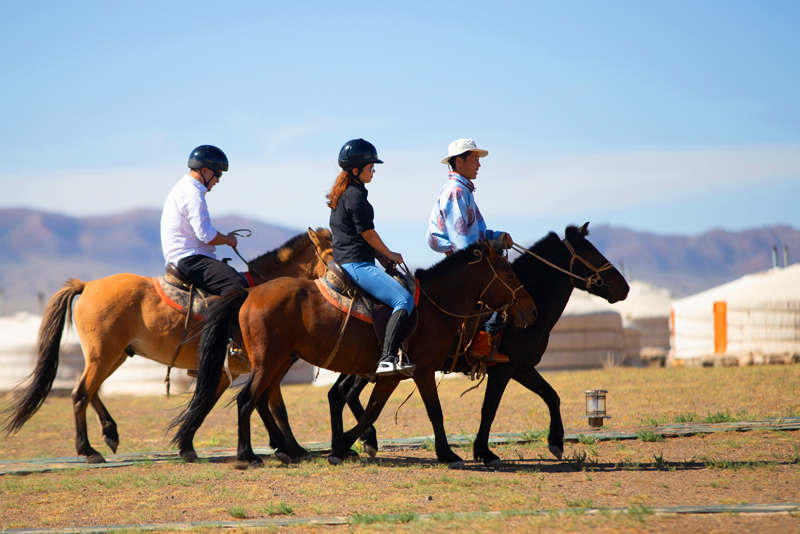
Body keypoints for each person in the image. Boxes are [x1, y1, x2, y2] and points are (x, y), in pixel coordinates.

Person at [327, 138, 416, 377]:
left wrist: (382, 257)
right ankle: (387, 358)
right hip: (357, 263)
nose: (374, 172)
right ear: (356, 170)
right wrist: (390, 254)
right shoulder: (355, 195)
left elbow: (355, 234)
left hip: (351, 259)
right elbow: (367, 233)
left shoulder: (345, 194)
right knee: (404, 300)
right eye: (371, 168)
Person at [426, 138, 514, 363]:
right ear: (459, 161)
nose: (479, 164)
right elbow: (461, 240)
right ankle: (479, 346)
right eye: (474, 159)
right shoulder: (456, 192)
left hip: (465, 256)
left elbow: (477, 232)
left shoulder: (463, 190)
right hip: (461, 260)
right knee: (505, 292)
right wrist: (479, 260)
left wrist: (497, 237)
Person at [160, 145, 248, 295]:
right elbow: (207, 235)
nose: (218, 181)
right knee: (237, 285)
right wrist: (228, 240)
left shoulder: (181, 188)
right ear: (205, 170)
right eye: (218, 174)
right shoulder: (194, 194)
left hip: (184, 258)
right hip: (190, 259)